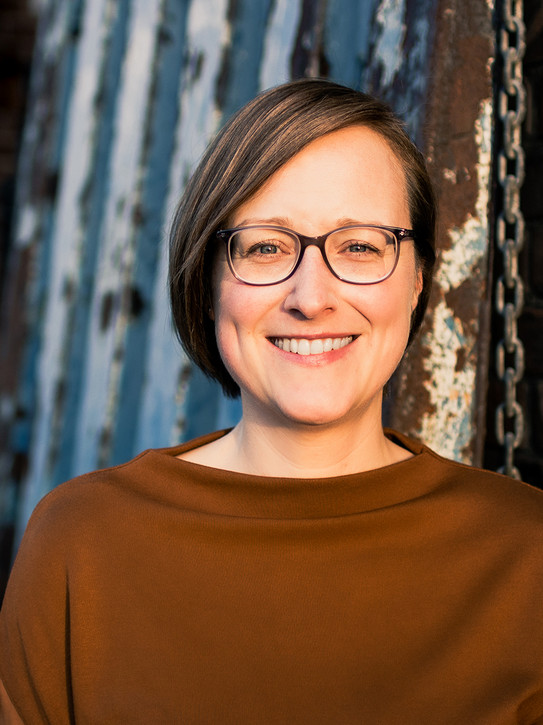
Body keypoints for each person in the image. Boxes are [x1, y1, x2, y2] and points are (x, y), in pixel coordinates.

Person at [1, 78, 542, 724]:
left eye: (360, 246)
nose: (310, 296)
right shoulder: (80, 541)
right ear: (208, 283)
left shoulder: (525, 550)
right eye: (264, 247)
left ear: (418, 280)